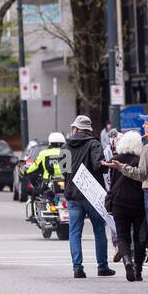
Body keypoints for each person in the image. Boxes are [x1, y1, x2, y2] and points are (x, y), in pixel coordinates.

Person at [62, 115, 115, 279]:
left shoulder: (65, 146)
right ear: (88, 130)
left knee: (74, 232)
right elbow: (98, 165)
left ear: (76, 129)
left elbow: (64, 170)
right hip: (91, 194)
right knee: (99, 230)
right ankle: (102, 267)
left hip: (72, 194)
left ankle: (77, 267)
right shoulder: (94, 144)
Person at [107, 130, 148, 281]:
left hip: (119, 202)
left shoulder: (115, 159)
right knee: (139, 237)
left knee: (122, 236)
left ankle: (127, 262)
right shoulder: (141, 159)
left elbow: (111, 182)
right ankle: (138, 271)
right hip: (139, 202)